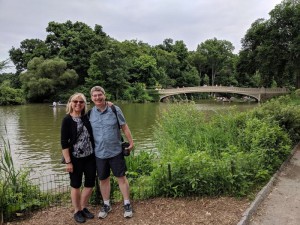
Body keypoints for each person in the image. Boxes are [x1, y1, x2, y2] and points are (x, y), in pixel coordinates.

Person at [89, 86, 134, 219]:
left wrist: (131, 142)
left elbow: (124, 126)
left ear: (104, 95)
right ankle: (106, 204)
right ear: (91, 98)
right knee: (103, 179)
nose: (97, 97)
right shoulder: (90, 113)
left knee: (121, 178)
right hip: (99, 153)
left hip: (115, 151)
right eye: (95, 96)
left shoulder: (114, 109)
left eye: (99, 94)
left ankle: (127, 204)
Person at [60, 93, 96, 223]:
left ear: (84, 104)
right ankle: (77, 210)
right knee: (75, 185)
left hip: (90, 157)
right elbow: (64, 142)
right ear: (70, 103)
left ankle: (83, 207)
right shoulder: (67, 120)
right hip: (75, 158)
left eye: (81, 102)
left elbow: (100, 107)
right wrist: (68, 162)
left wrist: (109, 104)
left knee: (90, 183)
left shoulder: (87, 117)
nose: (78, 104)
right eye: (75, 101)